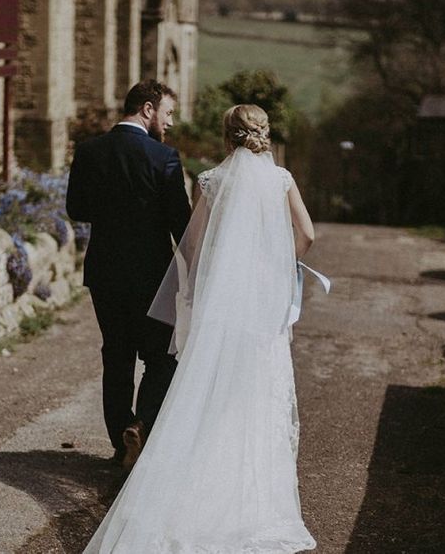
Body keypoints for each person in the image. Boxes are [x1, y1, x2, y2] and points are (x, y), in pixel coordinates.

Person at [83, 104, 318, 553]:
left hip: (222, 303)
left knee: (209, 388)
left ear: (227, 136)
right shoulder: (281, 179)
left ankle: (197, 486)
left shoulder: (212, 181)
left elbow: (191, 245)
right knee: (255, 392)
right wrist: (276, 266)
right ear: (263, 135)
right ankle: (254, 498)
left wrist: (205, 286)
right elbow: (305, 233)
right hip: (263, 304)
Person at [66, 80, 192, 470]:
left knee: (116, 357)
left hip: (104, 274)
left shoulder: (89, 151)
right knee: (161, 359)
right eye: (168, 113)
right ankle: (141, 425)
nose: (169, 123)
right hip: (153, 277)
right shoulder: (164, 158)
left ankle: (121, 443)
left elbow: (76, 208)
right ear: (148, 109)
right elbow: (181, 226)